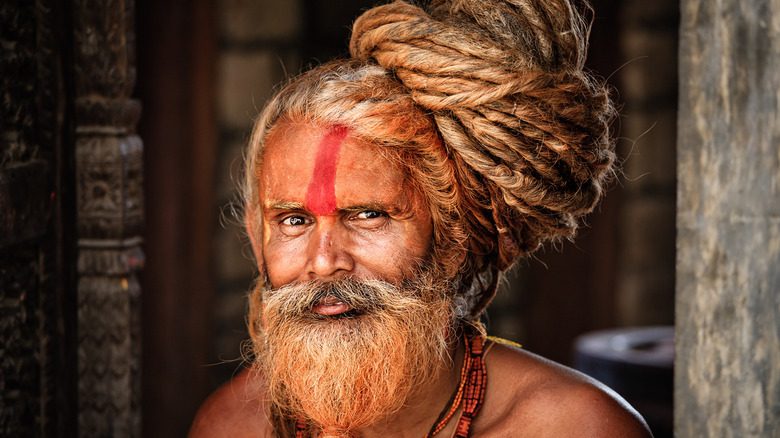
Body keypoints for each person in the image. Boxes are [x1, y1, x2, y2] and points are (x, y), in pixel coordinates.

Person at [191, 0, 652, 436]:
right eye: (293, 221)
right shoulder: (232, 426)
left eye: (369, 215)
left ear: (453, 240)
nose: (324, 261)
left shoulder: (573, 428)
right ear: (257, 236)